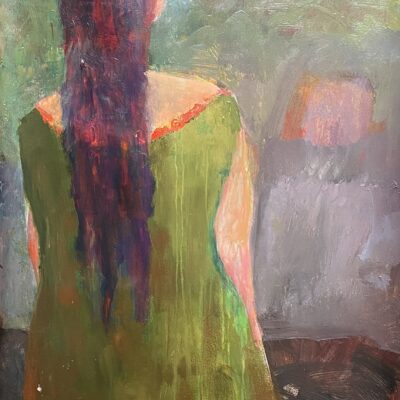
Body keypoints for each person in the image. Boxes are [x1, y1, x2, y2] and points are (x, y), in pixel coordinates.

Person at [18, 1, 276, 399]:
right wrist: (255, 349)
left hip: (73, 365)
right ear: (151, 9)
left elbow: (43, 258)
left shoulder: (36, 128)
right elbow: (233, 253)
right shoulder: (215, 112)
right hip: (196, 362)